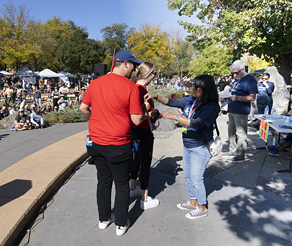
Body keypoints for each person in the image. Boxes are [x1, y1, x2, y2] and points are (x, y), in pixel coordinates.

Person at [79, 50, 146, 236]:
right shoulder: (130, 87)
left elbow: (83, 108)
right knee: (122, 184)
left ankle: (103, 219)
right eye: (133, 65)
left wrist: (93, 118)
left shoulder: (95, 83)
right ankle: (121, 224)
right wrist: (146, 113)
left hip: (97, 143)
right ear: (125, 63)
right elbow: (136, 120)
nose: (134, 69)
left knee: (103, 181)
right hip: (119, 145)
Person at [145, 75, 220, 219]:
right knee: (188, 176)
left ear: (204, 89)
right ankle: (193, 201)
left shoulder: (211, 106)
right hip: (188, 144)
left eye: (196, 87)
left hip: (200, 147)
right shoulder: (192, 100)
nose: (193, 88)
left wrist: (174, 117)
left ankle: (202, 207)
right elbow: (173, 102)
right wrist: (155, 96)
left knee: (196, 178)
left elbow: (197, 123)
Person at [129, 62, 160, 210]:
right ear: (148, 74)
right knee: (145, 163)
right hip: (143, 129)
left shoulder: (133, 88)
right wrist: (153, 114)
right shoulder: (140, 90)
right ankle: (145, 199)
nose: (155, 76)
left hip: (134, 129)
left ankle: (133, 187)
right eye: (154, 73)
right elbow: (142, 113)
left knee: (137, 159)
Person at [225, 60, 258, 162]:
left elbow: (252, 97)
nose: (235, 74)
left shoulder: (250, 80)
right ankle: (232, 151)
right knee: (231, 132)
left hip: (241, 110)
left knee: (240, 133)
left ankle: (240, 155)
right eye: (233, 73)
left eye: (237, 72)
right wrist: (229, 89)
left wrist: (238, 98)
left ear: (243, 69)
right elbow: (235, 88)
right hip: (231, 109)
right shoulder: (237, 79)